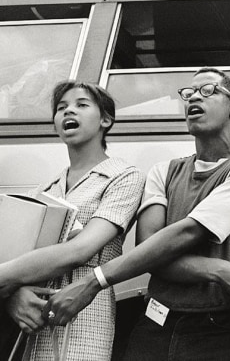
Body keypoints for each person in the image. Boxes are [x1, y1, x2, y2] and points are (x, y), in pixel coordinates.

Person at [46, 68, 230, 361]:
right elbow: (149, 251)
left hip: (220, 330)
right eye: (188, 93)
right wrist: (220, 269)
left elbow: (187, 233)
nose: (194, 96)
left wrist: (95, 280)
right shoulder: (163, 171)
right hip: (154, 323)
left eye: (208, 90)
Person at [0, 81, 144, 361]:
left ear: (105, 119)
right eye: (61, 108)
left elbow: (80, 250)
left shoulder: (124, 176)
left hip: (85, 308)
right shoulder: (42, 191)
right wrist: (12, 298)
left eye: (81, 105)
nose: (69, 112)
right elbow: (14, 253)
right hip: (32, 316)